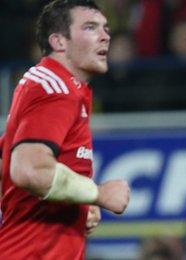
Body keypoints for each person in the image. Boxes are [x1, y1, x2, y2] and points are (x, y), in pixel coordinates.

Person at [0, 1, 130, 259]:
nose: (105, 35)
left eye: (105, 28)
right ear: (59, 41)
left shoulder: (57, 85)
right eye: (91, 27)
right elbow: (28, 170)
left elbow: (7, 159)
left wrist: (77, 202)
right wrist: (98, 194)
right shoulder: (55, 90)